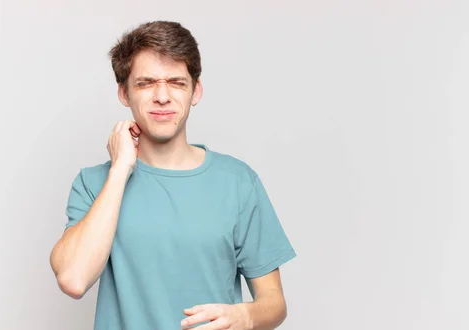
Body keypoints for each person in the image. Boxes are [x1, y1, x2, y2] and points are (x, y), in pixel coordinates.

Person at [50, 20, 296, 330]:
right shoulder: (94, 183)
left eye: (177, 82)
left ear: (196, 91)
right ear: (124, 93)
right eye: (146, 83)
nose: (162, 96)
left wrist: (244, 316)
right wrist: (121, 169)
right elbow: (73, 278)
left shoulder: (238, 182)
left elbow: (274, 304)